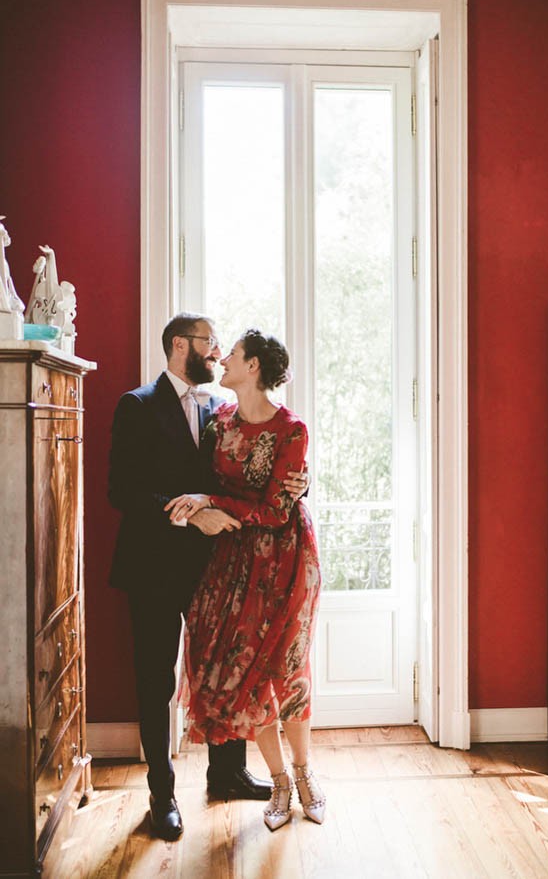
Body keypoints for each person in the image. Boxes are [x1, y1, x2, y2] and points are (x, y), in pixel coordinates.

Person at [108, 313, 307, 841]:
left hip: (215, 566)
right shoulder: (137, 405)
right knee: (157, 679)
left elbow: (252, 472)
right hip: (151, 565)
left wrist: (297, 485)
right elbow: (121, 492)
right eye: (208, 342)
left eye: (223, 346)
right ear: (179, 345)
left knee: (226, 666)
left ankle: (227, 773)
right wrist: (190, 513)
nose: (217, 352)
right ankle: (161, 794)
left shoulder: (220, 412)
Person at [165, 329, 325, 831]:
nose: (222, 359)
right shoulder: (219, 422)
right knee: (244, 677)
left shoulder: (291, 429)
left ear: (253, 366)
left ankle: (304, 775)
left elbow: (278, 509)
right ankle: (277, 782)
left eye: (231, 354)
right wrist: (206, 503)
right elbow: (208, 482)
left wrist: (213, 503)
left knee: (288, 670)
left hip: (286, 560)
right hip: (230, 562)